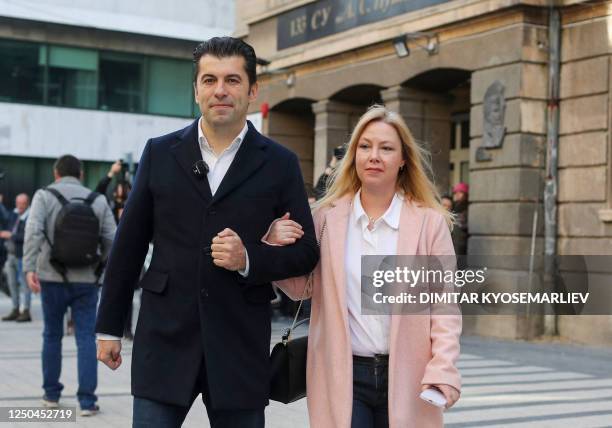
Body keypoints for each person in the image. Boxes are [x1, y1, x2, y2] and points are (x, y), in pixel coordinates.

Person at [95, 36, 319, 428]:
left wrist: (249, 257)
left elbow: (306, 253)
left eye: (232, 80)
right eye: (210, 79)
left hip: (239, 344)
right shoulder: (160, 152)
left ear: (252, 91)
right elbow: (128, 246)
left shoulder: (280, 163)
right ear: (196, 89)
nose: (220, 90)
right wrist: (109, 327)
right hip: (164, 338)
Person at [267, 105, 462, 428]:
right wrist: (275, 246)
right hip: (342, 373)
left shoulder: (429, 224)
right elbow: (303, 288)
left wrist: (443, 367)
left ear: (403, 160)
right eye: (365, 146)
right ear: (354, 155)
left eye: (386, 148)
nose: (374, 156)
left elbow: (443, 308)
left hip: (410, 376)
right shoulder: (326, 219)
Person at [23, 155, 116, 416]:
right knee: (86, 337)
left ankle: (51, 396)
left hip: (51, 277)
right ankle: (87, 402)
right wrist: (101, 268)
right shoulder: (97, 200)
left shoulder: (44, 195)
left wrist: (29, 267)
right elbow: (112, 237)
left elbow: (33, 232)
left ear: (56, 173)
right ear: (82, 175)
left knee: (52, 335)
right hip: (87, 280)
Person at [1, 193, 32, 322]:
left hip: (22, 255)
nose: (19, 206)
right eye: (17, 203)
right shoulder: (14, 214)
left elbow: (27, 237)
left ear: (27, 204)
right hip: (10, 254)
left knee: (25, 285)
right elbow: (7, 225)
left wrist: (10, 236)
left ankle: (26, 310)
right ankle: (15, 308)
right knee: (12, 283)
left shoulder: (30, 216)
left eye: (22, 204)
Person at [451, 182, 469, 255]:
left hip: (462, 246)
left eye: (460, 192)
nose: (457, 194)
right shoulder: (453, 208)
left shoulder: (467, 209)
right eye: (455, 193)